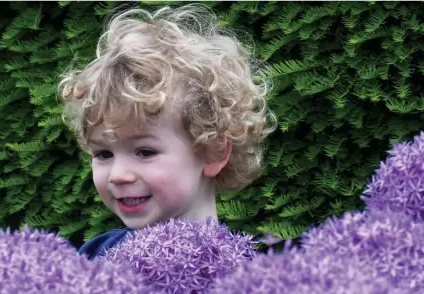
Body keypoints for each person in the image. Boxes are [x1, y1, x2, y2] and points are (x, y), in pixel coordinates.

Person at [58, 4, 276, 259]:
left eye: (144, 152)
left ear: (213, 151)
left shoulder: (244, 277)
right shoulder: (94, 257)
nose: (117, 175)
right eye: (104, 154)